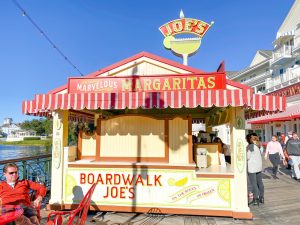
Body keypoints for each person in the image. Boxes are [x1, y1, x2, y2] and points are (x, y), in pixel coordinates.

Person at [247, 134, 264, 206]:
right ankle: (261, 197)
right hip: (258, 166)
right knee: (260, 182)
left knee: (253, 183)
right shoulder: (259, 145)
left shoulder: (250, 146)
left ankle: (255, 199)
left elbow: (248, 157)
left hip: (252, 167)